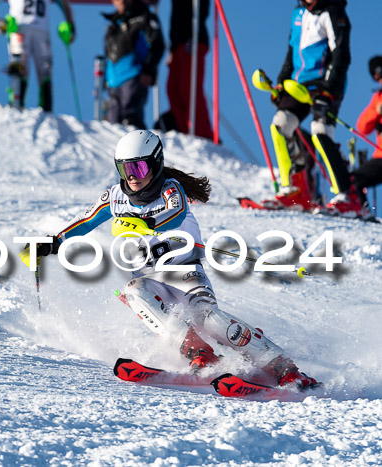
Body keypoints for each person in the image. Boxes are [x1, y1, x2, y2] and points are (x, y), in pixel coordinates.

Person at [22, 130, 318, 389]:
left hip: (184, 274)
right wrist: (54, 242)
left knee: (211, 320)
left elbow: (170, 216)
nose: (133, 177)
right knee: (134, 292)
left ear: (155, 163)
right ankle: (200, 354)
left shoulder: (170, 191)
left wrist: (137, 223)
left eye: (139, 167)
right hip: (151, 279)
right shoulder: (114, 197)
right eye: (126, 170)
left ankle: (284, 369)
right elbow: (85, 221)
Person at [269, 0, 353, 214]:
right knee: (280, 125)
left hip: (325, 84)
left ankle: (347, 197)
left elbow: (341, 53)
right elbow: (291, 52)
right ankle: (295, 190)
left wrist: (329, 89)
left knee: (320, 132)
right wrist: (281, 82)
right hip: (298, 85)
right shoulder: (297, 13)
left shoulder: (333, 12)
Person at [0, 0, 75, 111]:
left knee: (45, 73)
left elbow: (65, 4)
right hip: (19, 28)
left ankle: (46, 114)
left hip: (40, 32)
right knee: (20, 69)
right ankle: (16, 109)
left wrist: (70, 26)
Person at [102, 0, 164, 129]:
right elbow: (108, 53)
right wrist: (105, 79)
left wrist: (148, 70)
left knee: (130, 117)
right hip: (113, 81)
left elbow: (157, 45)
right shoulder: (113, 26)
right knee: (112, 125)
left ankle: (140, 147)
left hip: (134, 75)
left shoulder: (143, 18)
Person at [166, 0, 213, 139]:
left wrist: (195, 36)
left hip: (192, 39)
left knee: (189, 88)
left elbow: (202, 9)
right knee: (173, 89)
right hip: (177, 43)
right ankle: (184, 130)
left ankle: (201, 133)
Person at [350, 56, 382, 220]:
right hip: (381, 157)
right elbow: (362, 127)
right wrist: (377, 111)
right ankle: (363, 213)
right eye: (376, 76)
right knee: (354, 181)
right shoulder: (378, 97)